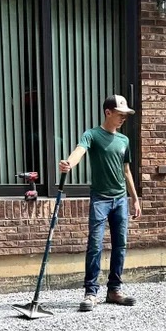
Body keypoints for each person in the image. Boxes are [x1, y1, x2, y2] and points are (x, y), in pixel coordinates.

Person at [59, 94, 142, 312]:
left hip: (120, 200)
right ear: (108, 112)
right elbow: (80, 151)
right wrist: (69, 163)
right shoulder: (92, 135)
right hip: (100, 200)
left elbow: (126, 171)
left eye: (125, 115)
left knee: (120, 245)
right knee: (95, 245)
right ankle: (91, 292)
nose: (123, 118)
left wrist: (134, 199)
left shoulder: (124, 140)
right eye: (120, 114)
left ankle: (114, 290)